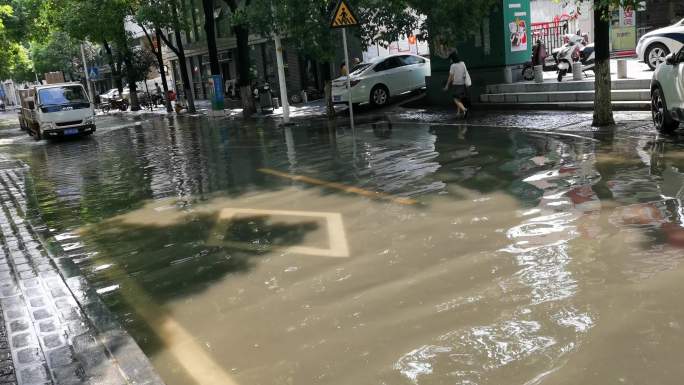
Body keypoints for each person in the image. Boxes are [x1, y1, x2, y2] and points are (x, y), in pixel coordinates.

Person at [443, 53, 471, 118]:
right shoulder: (463, 63)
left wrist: (447, 85)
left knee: (455, 99)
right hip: (463, 84)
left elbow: (450, 76)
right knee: (459, 99)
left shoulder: (453, 66)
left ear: (452, 59)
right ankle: (459, 112)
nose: (450, 60)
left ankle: (464, 109)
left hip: (456, 85)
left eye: (450, 59)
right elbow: (465, 72)